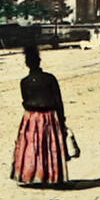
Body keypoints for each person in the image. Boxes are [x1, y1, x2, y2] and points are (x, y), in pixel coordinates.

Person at [11, 44, 69, 187]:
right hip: (49, 116)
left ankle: (31, 175)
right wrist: (62, 120)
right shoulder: (50, 79)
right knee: (49, 146)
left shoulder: (24, 82)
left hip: (30, 118)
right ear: (39, 61)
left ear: (27, 63)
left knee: (31, 147)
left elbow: (25, 101)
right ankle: (50, 176)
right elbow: (58, 101)